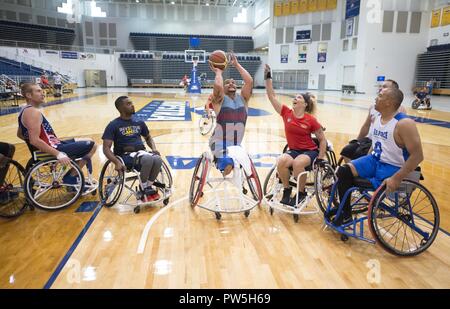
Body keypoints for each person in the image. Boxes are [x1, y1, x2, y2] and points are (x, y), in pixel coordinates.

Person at [331, 87, 424, 225]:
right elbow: (375, 146)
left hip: (394, 167)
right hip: (375, 160)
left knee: (356, 180)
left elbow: (418, 156)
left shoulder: (404, 124)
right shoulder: (378, 118)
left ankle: (345, 211)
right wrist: (363, 163)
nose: (376, 98)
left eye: (380, 96)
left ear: (389, 102)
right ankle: (346, 212)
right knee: (343, 171)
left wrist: (396, 178)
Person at [264, 64, 327, 206]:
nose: (295, 98)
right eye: (295, 97)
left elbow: (322, 140)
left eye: (298, 97)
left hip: (309, 151)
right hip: (294, 150)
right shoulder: (286, 112)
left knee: (298, 163)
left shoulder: (311, 120)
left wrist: (321, 158)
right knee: (281, 161)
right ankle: (287, 190)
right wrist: (268, 77)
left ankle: (301, 192)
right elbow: (271, 96)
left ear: (305, 104)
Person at [17, 83, 97, 185]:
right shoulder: (32, 112)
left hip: (54, 144)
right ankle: (71, 177)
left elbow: (20, 134)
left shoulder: (24, 111)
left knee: (88, 140)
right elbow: (34, 140)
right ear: (28, 95)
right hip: (54, 148)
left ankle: (73, 175)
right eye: (38, 91)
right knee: (92, 145)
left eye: (42, 90)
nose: (43, 93)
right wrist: (58, 154)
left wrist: (36, 146)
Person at [102, 96, 163, 203]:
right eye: (128, 104)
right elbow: (106, 148)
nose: (132, 105)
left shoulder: (139, 122)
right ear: (121, 108)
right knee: (148, 159)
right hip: (124, 156)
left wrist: (153, 148)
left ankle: (148, 187)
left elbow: (148, 137)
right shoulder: (113, 125)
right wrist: (116, 162)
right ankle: (143, 188)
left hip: (141, 153)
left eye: (132, 103)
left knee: (157, 159)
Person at [340, 79, 407, 164]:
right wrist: (358, 140)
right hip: (369, 140)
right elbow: (366, 126)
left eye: (385, 87)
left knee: (360, 154)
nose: (381, 88)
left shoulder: (399, 111)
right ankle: (355, 174)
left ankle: (362, 172)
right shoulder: (373, 107)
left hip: (384, 143)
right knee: (346, 151)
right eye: (381, 86)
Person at [209, 53, 253, 176]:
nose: (232, 83)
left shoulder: (243, 98)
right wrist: (218, 72)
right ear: (223, 88)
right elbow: (217, 86)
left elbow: (249, 81)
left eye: (234, 82)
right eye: (228, 83)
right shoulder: (219, 100)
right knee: (229, 165)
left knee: (246, 165)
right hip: (218, 142)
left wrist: (237, 65)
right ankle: (223, 165)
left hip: (236, 144)